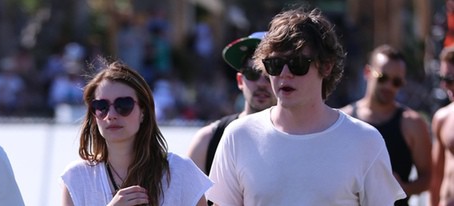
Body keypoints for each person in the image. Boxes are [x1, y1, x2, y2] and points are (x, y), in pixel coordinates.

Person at [206, 6, 406, 205]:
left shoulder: (365, 140)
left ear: (326, 67)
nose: (284, 73)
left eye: (297, 64)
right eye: (274, 64)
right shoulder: (238, 135)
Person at [60, 59, 212, 206]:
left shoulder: (180, 171)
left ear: (143, 112)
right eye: (101, 106)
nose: (111, 114)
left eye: (123, 105)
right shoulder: (76, 178)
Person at [340, 44, 432, 206]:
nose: (389, 86)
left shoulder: (412, 123)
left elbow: (427, 178)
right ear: (368, 72)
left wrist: (403, 188)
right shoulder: (343, 118)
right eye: (382, 77)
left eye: (396, 82)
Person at [187, 31, 276, 174]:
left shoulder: (298, 139)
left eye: (269, 74)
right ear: (240, 81)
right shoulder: (208, 140)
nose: (261, 83)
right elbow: (185, 195)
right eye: (252, 73)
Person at [430, 45, 454, 206]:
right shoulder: (442, 118)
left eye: (450, 80)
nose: (444, 86)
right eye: (442, 78)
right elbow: (436, 177)